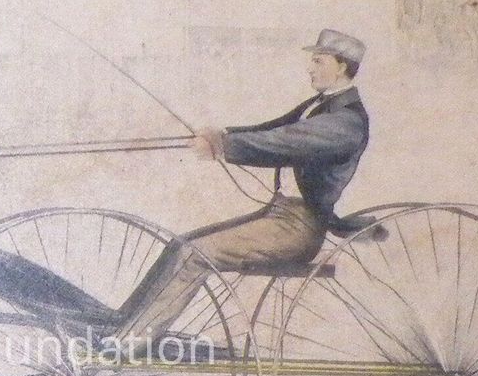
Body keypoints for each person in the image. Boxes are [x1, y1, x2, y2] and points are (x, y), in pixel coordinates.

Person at [110, 29, 372, 339]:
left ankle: (130, 342)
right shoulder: (319, 106)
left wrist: (223, 146)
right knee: (181, 245)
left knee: (196, 254)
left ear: (341, 66)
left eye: (318, 61)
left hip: (297, 230)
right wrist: (222, 134)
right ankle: (122, 324)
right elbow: (270, 129)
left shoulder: (345, 121)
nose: (310, 68)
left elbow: (282, 141)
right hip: (280, 217)